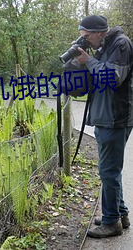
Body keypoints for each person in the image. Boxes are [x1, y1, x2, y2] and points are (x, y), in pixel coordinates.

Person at [67, 15, 133, 238]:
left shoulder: (121, 44)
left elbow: (113, 77)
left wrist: (89, 61)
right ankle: (119, 214)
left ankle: (111, 222)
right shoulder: (106, 47)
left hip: (115, 118)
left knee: (108, 171)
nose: (84, 39)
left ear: (99, 32)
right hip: (108, 117)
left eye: (86, 36)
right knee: (111, 170)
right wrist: (77, 64)